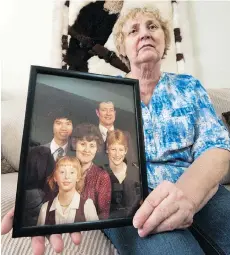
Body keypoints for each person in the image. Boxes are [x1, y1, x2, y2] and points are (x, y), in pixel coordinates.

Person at [2, 7, 230, 255]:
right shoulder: (101, 93)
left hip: (195, 182)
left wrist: (187, 196)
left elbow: (217, 146)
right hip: (127, 197)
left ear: (164, 38)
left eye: (152, 27)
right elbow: (78, 151)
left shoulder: (189, 86)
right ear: (123, 47)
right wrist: (40, 196)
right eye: (134, 30)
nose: (144, 34)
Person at [23, 109, 74, 226]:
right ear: (52, 125)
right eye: (58, 122)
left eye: (68, 123)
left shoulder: (78, 156)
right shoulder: (35, 152)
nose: (63, 127)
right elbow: (28, 186)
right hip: (36, 214)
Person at [37, 156, 99, 225]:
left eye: (72, 172)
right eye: (62, 172)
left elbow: (96, 235)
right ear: (55, 177)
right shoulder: (45, 209)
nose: (67, 177)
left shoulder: (87, 206)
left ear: (78, 177)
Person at [71, 123, 112, 220]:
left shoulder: (102, 176)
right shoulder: (63, 168)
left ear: (97, 149)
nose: (87, 150)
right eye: (82, 144)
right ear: (74, 144)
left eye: (92, 145)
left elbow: (103, 215)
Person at [104, 129, 141, 219]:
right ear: (107, 149)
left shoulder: (136, 172)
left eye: (121, 149)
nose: (117, 154)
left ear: (126, 150)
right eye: (113, 149)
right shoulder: (101, 174)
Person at [95, 101, 135, 166]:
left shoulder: (125, 135)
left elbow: (130, 161)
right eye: (104, 110)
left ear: (115, 113)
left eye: (111, 110)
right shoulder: (90, 134)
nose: (108, 114)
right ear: (97, 113)